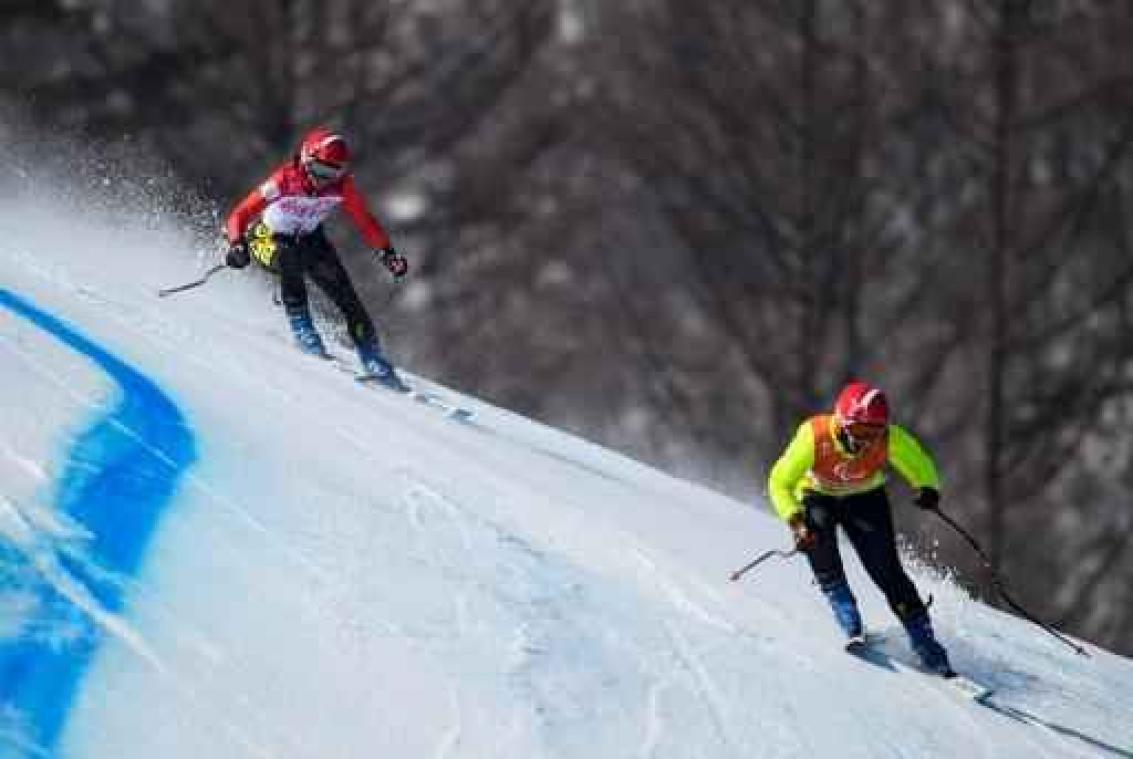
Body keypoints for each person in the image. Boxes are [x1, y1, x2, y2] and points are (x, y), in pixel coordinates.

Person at [767, 380, 953, 675]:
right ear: (842, 422)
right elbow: (779, 481)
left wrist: (928, 487)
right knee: (816, 535)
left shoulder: (889, 438)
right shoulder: (814, 436)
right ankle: (844, 607)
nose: (867, 440)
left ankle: (923, 638)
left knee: (886, 569)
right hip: (819, 497)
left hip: (865, 499)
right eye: (860, 431)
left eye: (874, 433)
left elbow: (919, 463)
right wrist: (794, 519)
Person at [223, 126, 410, 390]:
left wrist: (387, 254)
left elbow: (365, 222)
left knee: (347, 296)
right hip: (267, 239)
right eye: (322, 171)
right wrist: (237, 244)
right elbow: (239, 214)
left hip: (311, 241)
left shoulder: (342, 187)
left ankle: (372, 357)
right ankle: (302, 328)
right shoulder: (284, 181)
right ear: (306, 160)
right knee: (289, 258)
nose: (325, 180)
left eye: (334, 173)